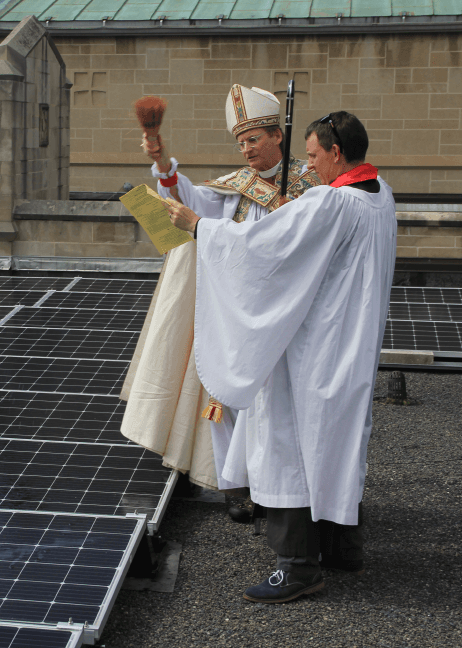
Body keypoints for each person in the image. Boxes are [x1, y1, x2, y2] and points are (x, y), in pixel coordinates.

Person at [161, 111, 397, 603]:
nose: (308, 165)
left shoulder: (332, 204)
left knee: (287, 449)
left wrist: (200, 227)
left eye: (313, 156)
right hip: (352, 348)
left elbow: (264, 247)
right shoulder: (381, 194)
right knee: (337, 447)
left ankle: (296, 568)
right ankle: (342, 547)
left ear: (336, 152)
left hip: (313, 352)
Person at [120, 85, 321, 491]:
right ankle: (233, 483)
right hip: (236, 306)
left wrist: (294, 215)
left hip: (288, 309)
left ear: (277, 136)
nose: (246, 149)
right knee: (225, 398)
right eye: (240, 142)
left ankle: (283, 483)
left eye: (253, 140)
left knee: (280, 400)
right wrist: (163, 165)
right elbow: (188, 209)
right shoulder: (235, 186)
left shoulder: (312, 184)